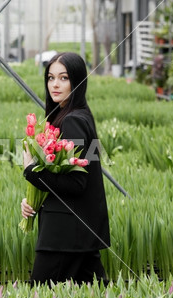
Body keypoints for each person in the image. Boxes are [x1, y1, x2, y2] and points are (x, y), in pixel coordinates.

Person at [21, 52, 110, 286]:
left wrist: (31, 171)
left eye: (63, 78)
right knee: (96, 293)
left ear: (77, 81)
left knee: (39, 294)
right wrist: (33, 199)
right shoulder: (71, 116)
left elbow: (77, 183)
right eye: (50, 78)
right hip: (78, 230)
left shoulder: (73, 121)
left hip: (65, 234)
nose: (55, 84)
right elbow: (68, 177)